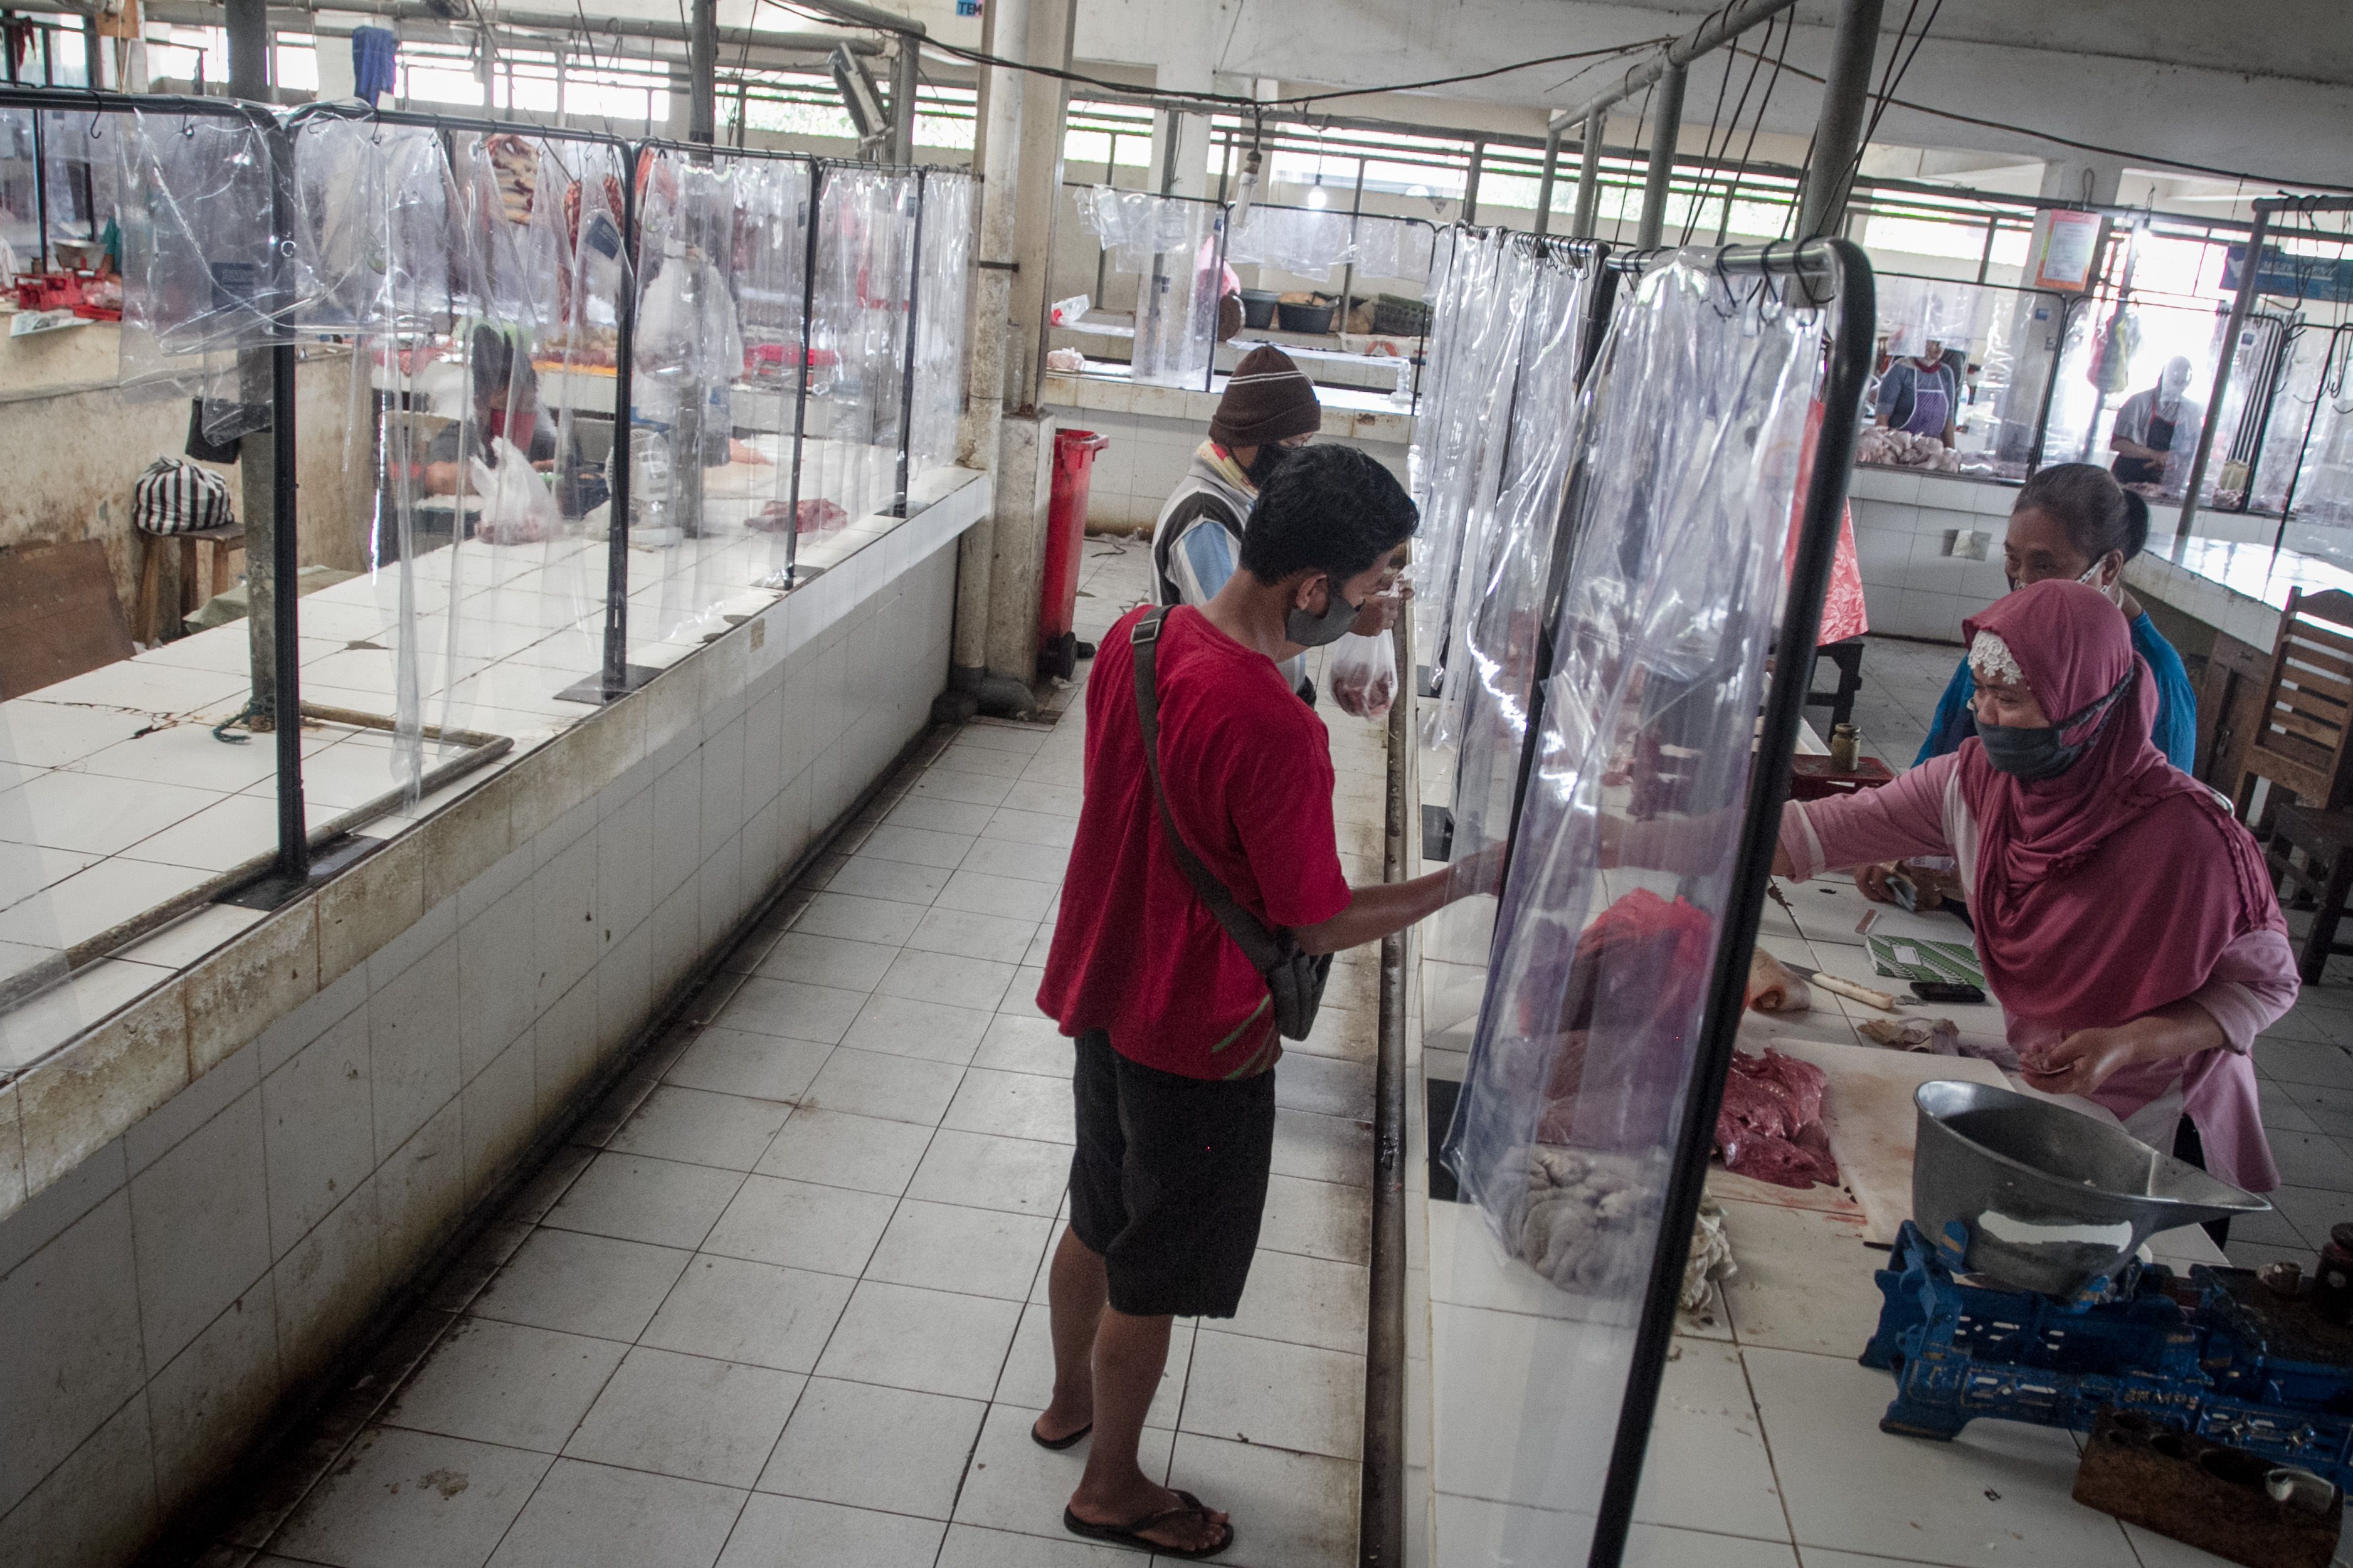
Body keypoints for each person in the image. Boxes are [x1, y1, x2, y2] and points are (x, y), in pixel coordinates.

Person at [1036, 445, 1499, 1557]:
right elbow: (1315, 918)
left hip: (1104, 983)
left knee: (1097, 1210)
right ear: (1312, 588)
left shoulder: (1138, 640)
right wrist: (1461, 879)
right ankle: (1111, 1489)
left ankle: (1067, 1405)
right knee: (1151, 1268)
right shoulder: (1274, 729)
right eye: (1382, 574)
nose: (1388, 595)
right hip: (1197, 1032)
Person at [1778, 580, 2291, 1221]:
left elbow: (2265, 988)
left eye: (2011, 698)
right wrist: (1656, 833)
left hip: (2160, 1119)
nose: (1984, 713)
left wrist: (2124, 1043)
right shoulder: (1977, 783)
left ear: (2089, 705)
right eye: (1981, 690)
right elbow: (1812, 833)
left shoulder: (2190, 837)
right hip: (2048, 1086)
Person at [1150, 344, 1396, 704]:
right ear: (1248, 436)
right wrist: (1347, 620)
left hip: (1258, 696)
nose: (1296, 459)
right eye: (1290, 444)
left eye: (1305, 445)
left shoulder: (1247, 498)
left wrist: (1355, 581)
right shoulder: (1204, 519)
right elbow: (1233, 644)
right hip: (1218, 708)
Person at [1915, 463, 2196, 772]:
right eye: (2013, 559)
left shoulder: (2159, 673)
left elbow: (2159, 799)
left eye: (2044, 566)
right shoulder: (2000, 646)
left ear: (2109, 567)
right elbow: (1939, 757)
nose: (2023, 580)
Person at [2110, 355, 2202, 490]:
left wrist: (2176, 460)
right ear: (2163, 377)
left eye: (2182, 382)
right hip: (2129, 476)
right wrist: (2156, 455)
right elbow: (2118, 443)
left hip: (2167, 482)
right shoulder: (2138, 402)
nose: (2178, 385)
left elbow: (2192, 450)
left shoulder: (2191, 410)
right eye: (2174, 380)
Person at [1874, 334, 1958, 448]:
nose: (1939, 346)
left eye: (1942, 342)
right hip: (1899, 448)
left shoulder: (1946, 373)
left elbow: (1949, 420)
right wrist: (1882, 452)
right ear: (1920, 341)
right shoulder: (1900, 370)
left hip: (1930, 449)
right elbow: (1882, 419)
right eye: (1934, 341)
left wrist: (1951, 453)